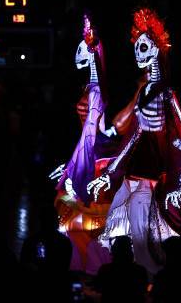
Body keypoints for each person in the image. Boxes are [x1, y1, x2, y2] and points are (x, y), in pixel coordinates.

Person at [88, 8, 181, 275]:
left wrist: (180, 183)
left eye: (143, 47)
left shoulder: (166, 92)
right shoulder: (145, 90)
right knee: (116, 220)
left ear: (155, 50)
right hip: (138, 162)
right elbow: (136, 135)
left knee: (139, 221)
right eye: (136, 48)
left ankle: (151, 274)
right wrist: (109, 173)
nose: (138, 54)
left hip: (156, 165)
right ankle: (122, 272)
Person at [48, 14, 115, 272]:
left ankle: (89, 264)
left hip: (88, 152)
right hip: (84, 148)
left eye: (82, 49)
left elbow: (92, 131)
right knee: (72, 213)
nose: (78, 53)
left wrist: (77, 163)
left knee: (80, 211)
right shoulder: (90, 86)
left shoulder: (97, 90)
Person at [95, 235, 148, 303]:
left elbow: (98, 288)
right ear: (130, 251)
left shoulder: (105, 269)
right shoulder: (140, 270)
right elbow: (143, 290)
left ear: (114, 250)